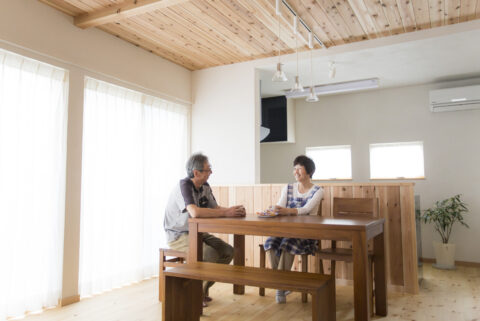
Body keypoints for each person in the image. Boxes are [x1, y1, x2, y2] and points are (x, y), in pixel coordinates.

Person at [163, 153, 246, 307]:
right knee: (210, 254)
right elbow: (195, 212)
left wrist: (232, 210)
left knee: (228, 251)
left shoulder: (205, 187)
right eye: (208, 169)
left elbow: (216, 208)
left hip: (198, 232)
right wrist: (226, 212)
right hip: (178, 235)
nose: (211, 172)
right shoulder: (184, 185)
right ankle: (194, 295)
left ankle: (201, 290)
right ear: (196, 172)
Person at [263, 155, 323, 304]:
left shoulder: (318, 190)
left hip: (306, 233)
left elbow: (306, 209)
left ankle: (280, 288)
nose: (295, 172)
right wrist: (273, 209)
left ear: (308, 171)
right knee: (270, 243)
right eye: (294, 169)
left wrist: (286, 210)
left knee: (286, 245)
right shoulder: (288, 187)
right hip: (285, 230)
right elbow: (279, 205)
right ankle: (283, 285)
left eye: (299, 169)